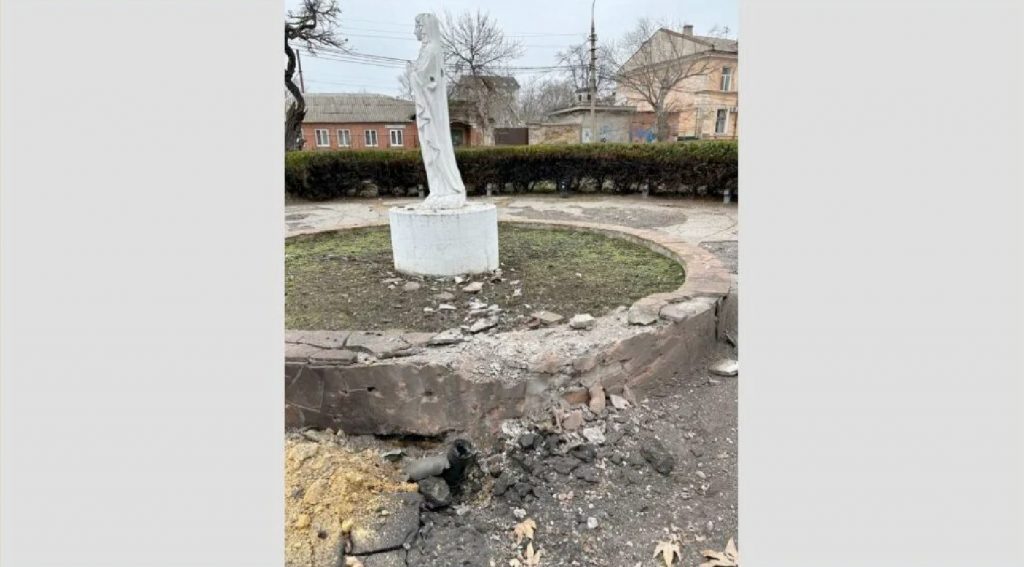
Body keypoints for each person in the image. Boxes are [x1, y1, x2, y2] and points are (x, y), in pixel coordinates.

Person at [408, 13, 467, 209]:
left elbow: (428, 82)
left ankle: (446, 189)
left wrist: (412, 73)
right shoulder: (427, 51)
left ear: (425, 28)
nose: (415, 31)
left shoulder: (432, 51)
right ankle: (438, 189)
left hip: (432, 112)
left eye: (417, 27)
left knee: (436, 147)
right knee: (431, 151)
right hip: (428, 109)